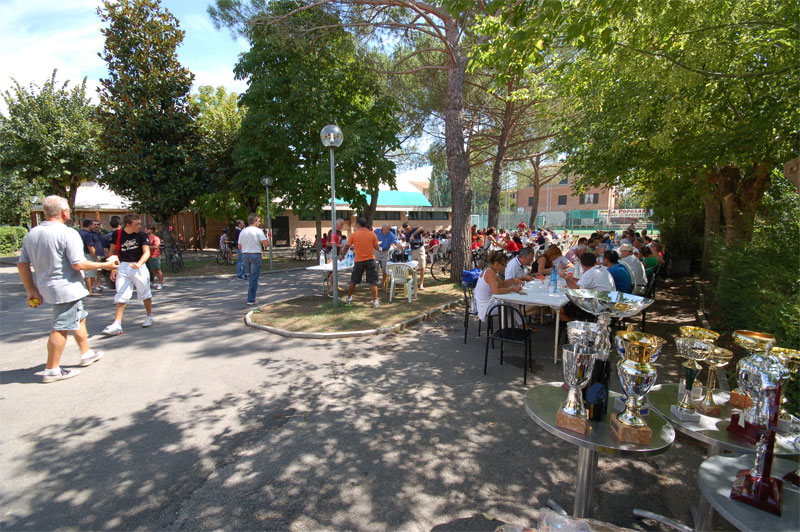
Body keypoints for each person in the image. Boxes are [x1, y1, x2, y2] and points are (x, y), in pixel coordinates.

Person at [17, 196, 117, 382]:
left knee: (79, 317)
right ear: (64, 212)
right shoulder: (68, 233)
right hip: (66, 288)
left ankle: (86, 353)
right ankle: (52, 369)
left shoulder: (33, 233)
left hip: (48, 287)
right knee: (61, 327)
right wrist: (105, 265)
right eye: (69, 210)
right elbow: (78, 264)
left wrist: (31, 289)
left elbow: (22, 264)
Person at [102, 213, 154, 335]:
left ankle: (149, 316)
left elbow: (146, 252)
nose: (139, 226)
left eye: (140, 224)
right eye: (137, 224)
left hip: (138, 266)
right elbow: (112, 252)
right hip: (123, 265)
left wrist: (140, 263)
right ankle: (117, 323)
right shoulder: (118, 234)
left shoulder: (141, 235)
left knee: (144, 292)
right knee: (121, 293)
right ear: (128, 225)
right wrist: (113, 269)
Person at [559, 252, 616, 322]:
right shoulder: (603, 269)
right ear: (596, 261)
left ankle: (572, 327)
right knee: (570, 303)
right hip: (609, 304)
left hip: (598, 309)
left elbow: (576, 290)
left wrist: (565, 277)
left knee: (560, 308)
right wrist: (575, 279)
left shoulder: (590, 273)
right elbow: (592, 283)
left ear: (582, 265)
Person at [474, 250, 525, 324]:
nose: (505, 267)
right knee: (511, 305)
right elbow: (496, 291)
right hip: (486, 306)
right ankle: (515, 327)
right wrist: (513, 289)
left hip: (485, 303)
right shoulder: (490, 272)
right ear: (496, 264)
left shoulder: (490, 270)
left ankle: (516, 326)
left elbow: (502, 285)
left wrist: (514, 280)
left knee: (511, 304)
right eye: (504, 265)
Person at [343, 217, 382, 308]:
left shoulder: (354, 235)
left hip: (358, 260)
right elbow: (376, 247)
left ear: (358, 225)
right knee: (373, 282)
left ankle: (349, 297)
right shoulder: (372, 235)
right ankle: (375, 301)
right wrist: (379, 248)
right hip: (370, 260)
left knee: (354, 281)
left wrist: (342, 256)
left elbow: (347, 247)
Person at [238, 213, 269, 305]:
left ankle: (251, 298)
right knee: (254, 278)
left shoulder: (243, 231)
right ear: (255, 221)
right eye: (259, 221)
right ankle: (251, 299)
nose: (259, 223)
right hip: (255, 255)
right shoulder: (258, 231)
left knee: (251, 276)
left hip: (245, 255)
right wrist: (268, 238)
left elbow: (239, 246)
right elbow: (266, 244)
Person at [402, 222, 426, 290]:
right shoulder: (407, 235)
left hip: (420, 249)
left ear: (410, 226)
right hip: (412, 251)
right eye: (405, 229)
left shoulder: (415, 229)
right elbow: (408, 243)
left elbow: (421, 228)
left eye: (408, 228)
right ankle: (414, 282)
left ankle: (421, 284)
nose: (407, 230)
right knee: (413, 268)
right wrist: (405, 246)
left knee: (422, 267)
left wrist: (413, 234)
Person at [78, 219, 100, 296]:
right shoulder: (87, 234)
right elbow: (90, 246)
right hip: (87, 254)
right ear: (90, 225)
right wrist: (95, 257)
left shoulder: (79, 233)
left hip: (80, 253)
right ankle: (90, 290)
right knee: (90, 273)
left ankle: (89, 289)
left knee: (86, 272)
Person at [145, 224, 164, 290]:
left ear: (151, 230)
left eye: (147, 229)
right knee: (150, 270)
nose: (145, 230)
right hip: (147, 256)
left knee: (158, 270)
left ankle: (160, 283)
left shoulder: (155, 238)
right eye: (145, 228)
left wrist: (146, 247)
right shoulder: (145, 237)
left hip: (154, 256)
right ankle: (151, 282)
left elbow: (156, 246)